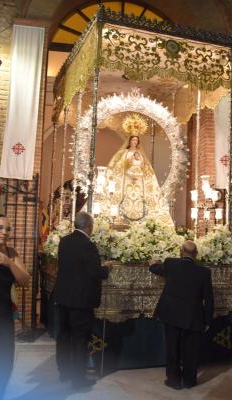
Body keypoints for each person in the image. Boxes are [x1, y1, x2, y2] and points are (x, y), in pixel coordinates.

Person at [54, 212, 110, 389]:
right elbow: (94, 272)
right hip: (81, 301)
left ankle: (64, 373)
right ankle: (78, 380)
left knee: (64, 336)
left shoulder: (64, 241)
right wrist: (106, 268)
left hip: (63, 297)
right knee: (79, 340)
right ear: (89, 226)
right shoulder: (88, 245)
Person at [148, 241, 214, 390]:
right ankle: (190, 380)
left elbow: (157, 269)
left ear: (180, 252)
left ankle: (174, 380)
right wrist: (208, 319)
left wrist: (152, 264)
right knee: (191, 351)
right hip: (193, 317)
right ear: (196, 254)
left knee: (172, 348)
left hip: (172, 314)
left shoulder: (171, 263)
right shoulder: (204, 272)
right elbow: (209, 298)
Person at [0, 214, 30, 399]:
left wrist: (9, 262)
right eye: (0, 228)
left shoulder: (11, 253)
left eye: (8, 229)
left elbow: (25, 280)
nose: (4, 232)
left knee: (5, 360)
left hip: (3, 315)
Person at [104, 114, 173, 226]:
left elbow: (146, 168)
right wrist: (129, 161)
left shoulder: (140, 154)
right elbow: (118, 166)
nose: (134, 142)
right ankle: (120, 217)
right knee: (125, 197)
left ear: (137, 142)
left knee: (140, 198)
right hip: (126, 179)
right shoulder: (124, 153)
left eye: (136, 140)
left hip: (139, 179)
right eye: (133, 140)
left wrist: (141, 166)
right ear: (129, 141)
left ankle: (141, 218)